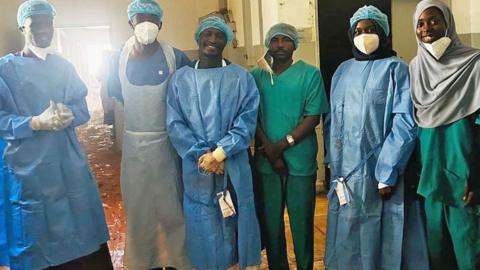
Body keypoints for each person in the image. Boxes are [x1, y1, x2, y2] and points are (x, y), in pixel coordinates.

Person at [0, 1, 113, 269]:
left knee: (80, 227)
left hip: (67, 164)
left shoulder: (63, 66)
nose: (42, 30)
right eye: (34, 24)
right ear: (21, 27)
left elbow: (83, 108)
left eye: (47, 23)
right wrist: (34, 122)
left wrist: (69, 114)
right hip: (28, 170)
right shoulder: (5, 70)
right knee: (36, 232)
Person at [324, 5, 429, 270]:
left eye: (371, 30)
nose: (364, 35)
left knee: (383, 233)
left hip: (379, 172)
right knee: (347, 235)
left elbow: (404, 123)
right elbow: (333, 121)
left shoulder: (396, 69)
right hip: (345, 173)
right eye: (358, 30)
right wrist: (332, 161)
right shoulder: (342, 71)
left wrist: (387, 172)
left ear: (383, 34)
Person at [166, 16, 262, 270]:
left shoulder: (242, 77)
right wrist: (203, 156)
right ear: (198, 37)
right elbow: (175, 124)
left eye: (219, 35)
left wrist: (219, 154)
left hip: (233, 162)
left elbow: (247, 119)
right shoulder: (180, 80)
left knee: (236, 219)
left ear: (226, 41)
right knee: (203, 220)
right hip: (197, 166)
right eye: (207, 34)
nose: (212, 40)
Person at [107, 0, 191, 269]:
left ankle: (178, 262)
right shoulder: (116, 59)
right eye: (140, 18)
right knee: (139, 211)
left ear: (161, 24)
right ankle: (145, 263)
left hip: (168, 144)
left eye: (152, 19)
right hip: (134, 147)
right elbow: (117, 94)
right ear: (130, 22)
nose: (146, 24)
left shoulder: (175, 57)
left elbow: (187, 97)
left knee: (173, 209)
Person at [250, 23, 328, 270]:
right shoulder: (257, 75)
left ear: (295, 44)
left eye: (286, 40)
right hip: (267, 161)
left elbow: (312, 117)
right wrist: (269, 151)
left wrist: (282, 146)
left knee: (302, 223)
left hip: (300, 159)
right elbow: (251, 116)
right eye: (275, 40)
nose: (280, 45)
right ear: (267, 44)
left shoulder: (310, 74)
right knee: (271, 224)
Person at [410, 1, 480, 269]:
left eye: (434, 21)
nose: (428, 28)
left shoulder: (473, 64)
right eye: (421, 23)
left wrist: (476, 176)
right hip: (431, 178)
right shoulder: (416, 68)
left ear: (448, 23)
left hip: (464, 178)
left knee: (469, 256)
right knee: (438, 256)